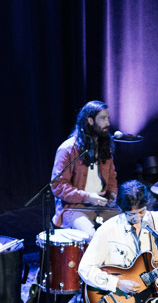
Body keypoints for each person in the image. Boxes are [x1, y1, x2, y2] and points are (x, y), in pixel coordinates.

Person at [50, 100, 119, 238]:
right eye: (103, 118)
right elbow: (57, 185)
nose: (108, 123)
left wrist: (112, 194)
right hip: (74, 208)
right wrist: (87, 197)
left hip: (102, 207)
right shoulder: (68, 149)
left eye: (108, 118)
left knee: (125, 229)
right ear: (90, 120)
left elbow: (112, 178)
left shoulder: (105, 148)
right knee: (93, 237)